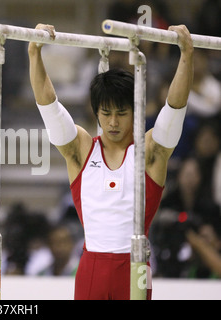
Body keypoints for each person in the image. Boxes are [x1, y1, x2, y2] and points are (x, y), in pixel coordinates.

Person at [28, 23, 193, 299]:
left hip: (135, 268)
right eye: (106, 113)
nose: (113, 122)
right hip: (91, 266)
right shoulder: (79, 149)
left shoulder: (150, 152)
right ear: (96, 113)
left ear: (135, 112)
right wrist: (35, 53)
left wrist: (186, 56)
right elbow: (49, 105)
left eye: (121, 113)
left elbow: (175, 108)